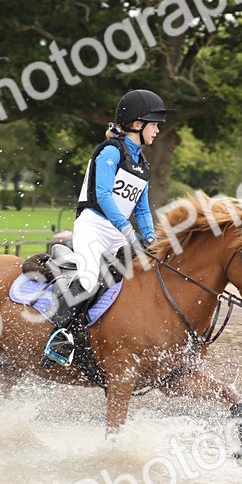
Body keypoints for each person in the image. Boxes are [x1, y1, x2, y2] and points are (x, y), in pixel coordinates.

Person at [42, 88, 170, 366]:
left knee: (142, 279)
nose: (158, 130)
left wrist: (150, 237)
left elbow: (142, 208)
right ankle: (59, 337)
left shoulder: (142, 165)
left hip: (117, 232)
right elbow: (102, 195)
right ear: (137, 124)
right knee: (89, 280)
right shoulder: (110, 152)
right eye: (154, 125)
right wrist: (127, 229)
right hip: (93, 226)